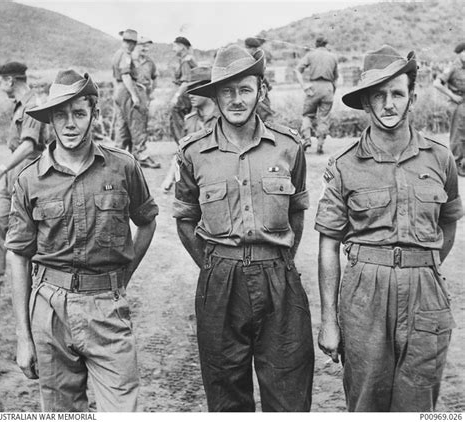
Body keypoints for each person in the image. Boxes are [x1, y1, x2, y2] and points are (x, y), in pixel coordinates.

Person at [315, 45, 463, 412]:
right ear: (366, 102)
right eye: (378, 95)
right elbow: (327, 244)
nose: (388, 104)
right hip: (365, 296)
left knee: (419, 407)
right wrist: (329, 321)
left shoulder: (439, 158)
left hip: (425, 295)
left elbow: (448, 220)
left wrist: (422, 264)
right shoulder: (345, 165)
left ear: (411, 97)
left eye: (397, 93)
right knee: (367, 404)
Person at [5, 70, 159, 411]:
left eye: (79, 113)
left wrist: (123, 277)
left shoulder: (123, 167)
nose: (70, 124)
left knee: (121, 411)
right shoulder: (30, 180)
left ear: (94, 114)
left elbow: (147, 222)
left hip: (107, 307)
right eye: (61, 115)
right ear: (50, 121)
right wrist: (23, 336)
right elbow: (18, 255)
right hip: (49, 312)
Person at [174, 45, 314, 412]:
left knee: (289, 394)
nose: (236, 100)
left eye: (245, 89)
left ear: (260, 90)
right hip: (220, 281)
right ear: (215, 95)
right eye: (227, 91)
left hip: (279, 279)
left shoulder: (287, 146)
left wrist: (277, 259)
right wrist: (215, 265)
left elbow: (297, 211)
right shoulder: (193, 152)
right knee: (225, 395)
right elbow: (185, 218)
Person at [0, 62, 49, 300]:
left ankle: (33, 287)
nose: (1, 86)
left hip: (26, 173)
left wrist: (0, 169)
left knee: (24, 231)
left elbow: (27, 146)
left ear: (10, 81)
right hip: (11, 174)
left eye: (2, 81)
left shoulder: (32, 105)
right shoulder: (20, 106)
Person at [161, 66, 217, 192]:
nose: (189, 94)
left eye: (194, 89)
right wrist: (169, 177)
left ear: (208, 89)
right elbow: (181, 152)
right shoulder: (190, 120)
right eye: (188, 90)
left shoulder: (225, 119)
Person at [112, 28, 160, 168]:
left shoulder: (119, 54)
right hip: (130, 90)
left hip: (123, 90)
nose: (130, 45)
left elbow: (117, 77)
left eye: (132, 42)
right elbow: (126, 76)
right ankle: (141, 155)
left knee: (122, 124)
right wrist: (134, 95)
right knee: (137, 122)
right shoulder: (125, 55)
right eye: (129, 42)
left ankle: (118, 155)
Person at [295, 36, 338, 154]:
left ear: (316, 44)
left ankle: (307, 139)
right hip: (328, 87)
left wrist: (304, 86)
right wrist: (332, 91)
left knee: (307, 115)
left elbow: (297, 70)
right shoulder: (333, 56)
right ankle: (320, 145)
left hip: (313, 87)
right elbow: (336, 78)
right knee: (324, 117)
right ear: (326, 45)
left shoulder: (310, 55)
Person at [434, 42, 465, 177]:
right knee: (457, 135)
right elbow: (437, 83)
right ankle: (456, 165)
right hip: (457, 103)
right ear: (461, 53)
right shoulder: (453, 67)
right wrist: (452, 95)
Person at [169, 36, 197, 143]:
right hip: (187, 96)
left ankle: (183, 146)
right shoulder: (187, 59)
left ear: (182, 47)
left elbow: (186, 81)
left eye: (175, 46)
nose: (173, 49)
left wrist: (176, 97)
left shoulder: (186, 61)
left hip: (183, 97)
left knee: (178, 122)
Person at [244, 37, 275, 122]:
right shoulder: (258, 55)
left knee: (265, 112)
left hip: (259, 87)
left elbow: (260, 72)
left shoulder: (258, 55)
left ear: (252, 48)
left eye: (247, 48)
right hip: (257, 87)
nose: (246, 50)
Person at [135, 36, 158, 111]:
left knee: (144, 115)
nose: (145, 49)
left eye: (147, 47)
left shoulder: (150, 62)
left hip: (145, 93)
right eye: (143, 46)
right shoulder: (131, 60)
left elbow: (155, 77)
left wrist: (151, 92)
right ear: (136, 46)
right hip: (133, 93)